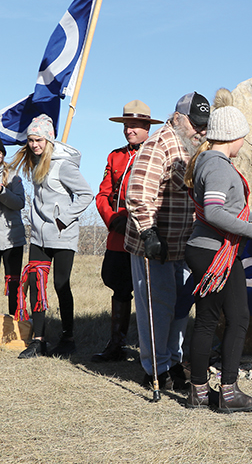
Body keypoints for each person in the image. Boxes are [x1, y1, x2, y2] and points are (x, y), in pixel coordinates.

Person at [184, 88, 252, 412]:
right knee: (238, 317)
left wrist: (249, 216)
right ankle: (228, 393)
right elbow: (215, 211)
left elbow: (223, 208)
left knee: (207, 319)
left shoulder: (208, 161)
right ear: (232, 136)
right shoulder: (218, 166)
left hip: (208, 249)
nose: (243, 143)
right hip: (215, 252)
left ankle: (200, 393)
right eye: (242, 137)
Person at [125, 92, 209, 389]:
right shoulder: (159, 142)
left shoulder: (193, 146)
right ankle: (154, 370)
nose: (200, 130)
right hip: (156, 245)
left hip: (183, 246)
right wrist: (148, 233)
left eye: (204, 125)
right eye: (195, 124)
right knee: (157, 310)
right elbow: (137, 191)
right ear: (177, 117)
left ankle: (172, 362)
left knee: (178, 310)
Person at [10, 114, 94, 358]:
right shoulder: (34, 162)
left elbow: (86, 195)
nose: (34, 144)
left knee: (60, 285)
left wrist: (63, 219)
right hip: (38, 236)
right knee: (37, 284)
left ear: (48, 139)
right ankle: (39, 340)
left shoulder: (63, 165)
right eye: (31, 140)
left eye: (38, 140)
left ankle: (68, 338)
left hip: (63, 234)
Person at [92, 100, 163, 362]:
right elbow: (103, 194)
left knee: (149, 292)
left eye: (134, 125)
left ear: (147, 127)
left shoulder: (156, 156)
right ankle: (116, 344)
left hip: (145, 234)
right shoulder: (116, 156)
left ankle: (153, 350)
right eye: (126, 125)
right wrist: (112, 219)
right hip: (117, 233)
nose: (129, 130)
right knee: (117, 284)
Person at [0, 138, 26, 316]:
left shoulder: (13, 175)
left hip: (11, 237)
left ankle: (15, 322)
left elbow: (19, 203)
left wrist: (2, 191)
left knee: (13, 281)